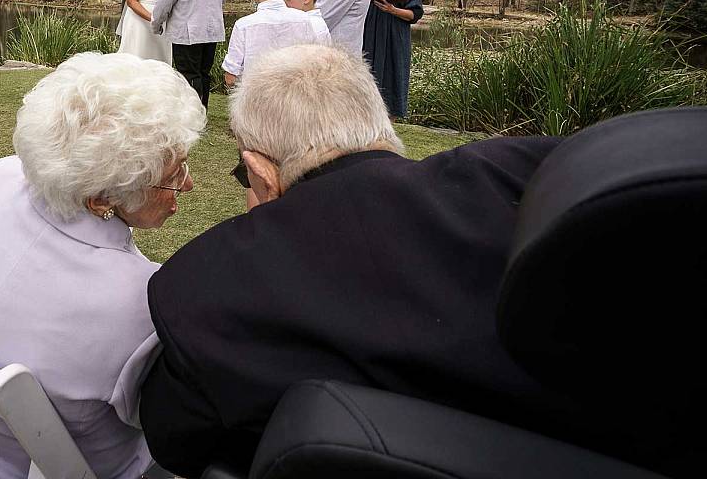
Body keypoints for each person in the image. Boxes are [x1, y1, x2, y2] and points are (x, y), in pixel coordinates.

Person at [139, 44, 566, 478]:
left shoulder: (204, 283)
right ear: (379, 121)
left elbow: (177, 441)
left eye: (242, 175)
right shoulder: (530, 176)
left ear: (261, 171)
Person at [0, 52, 206, 479]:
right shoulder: (141, 299)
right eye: (172, 176)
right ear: (100, 200)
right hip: (54, 465)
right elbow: (154, 421)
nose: (188, 184)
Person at [222, 0, 329, 90]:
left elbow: (231, 77)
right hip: (295, 97)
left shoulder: (243, 26)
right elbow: (317, 63)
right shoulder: (304, 20)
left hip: (256, 97)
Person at [363, 0, 424, 117]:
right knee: (370, 75)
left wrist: (392, 10)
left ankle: (391, 121)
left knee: (391, 76)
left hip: (393, 38)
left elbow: (415, 13)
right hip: (372, 36)